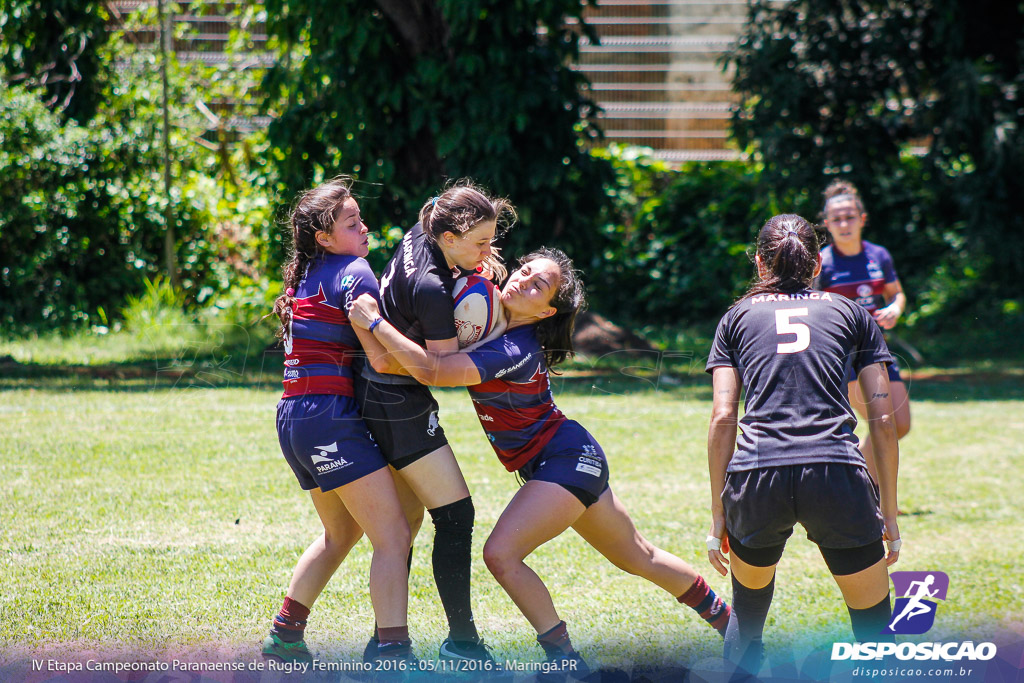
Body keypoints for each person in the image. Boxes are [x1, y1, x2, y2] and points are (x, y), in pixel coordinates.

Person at [350, 247, 732, 677]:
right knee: (637, 554)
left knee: (501, 554)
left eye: (537, 286)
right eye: (525, 271)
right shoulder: (490, 308)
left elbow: (435, 372)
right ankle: (730, 624)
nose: (523, 281)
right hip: (568, 458)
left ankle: (566, 662)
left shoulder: (516, 345)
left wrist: (373, 322)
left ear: (547, 310)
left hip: (564, 460)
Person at [705, 214, 902, 675]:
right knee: (874, 631)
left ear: (759, 264)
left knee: (748, 619)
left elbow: (722, 417)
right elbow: (884, 422)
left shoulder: (735, 317)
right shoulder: (852, 313)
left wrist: (719, 515)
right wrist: (889, 515)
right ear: (817, 264)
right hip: (835, 471)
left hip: (756, 474)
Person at [352, 181, 513, 664]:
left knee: (404, 524)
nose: (488, 253)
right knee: (456, 514)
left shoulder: (418, 233)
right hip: (394, 404)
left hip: (376, 394)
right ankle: (463, 644)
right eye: (481, 243)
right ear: (448, 237)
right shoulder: (432, 289)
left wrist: (480, 269)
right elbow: (437, 371)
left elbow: (400, 356)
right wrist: (379, 331)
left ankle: (384, 644)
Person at [262, 177, 414, 663]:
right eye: (352, 223)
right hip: (329, 418)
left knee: (342, 533)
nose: (363, 227)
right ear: (324, 237)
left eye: (360, 218)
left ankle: (286, 635)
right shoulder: (355, 269)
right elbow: (382, 359)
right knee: (392, 537)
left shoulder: (305, 275)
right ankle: (392, 655)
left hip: (294, 418)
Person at [817, 180, 911, 485]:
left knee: (900, 424)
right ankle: (862, 488)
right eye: (837, 219)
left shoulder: (878, 255)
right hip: (843, 356)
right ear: (827, 224)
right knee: (880, 420)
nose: (844, 224)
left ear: (862, 219)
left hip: (877, 350)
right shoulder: (822, 263)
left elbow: (896, 293)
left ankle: (860, 479)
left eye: (850, 217)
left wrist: (895, 309)